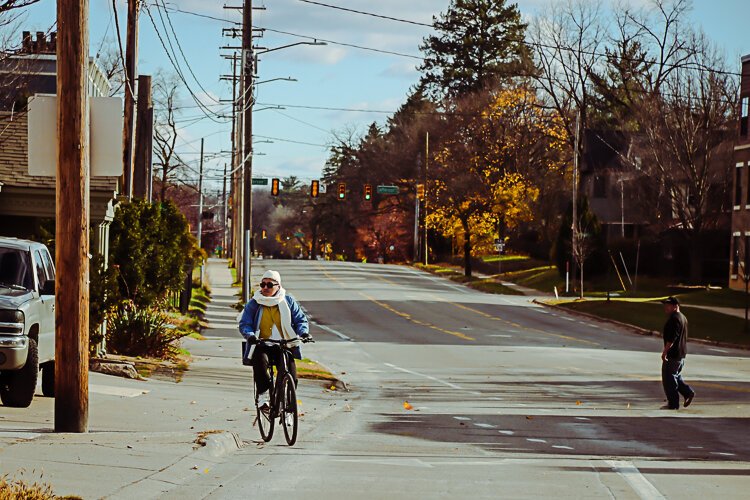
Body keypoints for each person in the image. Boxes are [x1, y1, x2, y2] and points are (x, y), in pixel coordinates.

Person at [239, 270, 310, 409]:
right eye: (263, 284)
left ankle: (288, 408)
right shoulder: (255, 302)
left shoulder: (288, 301)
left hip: (284, 345)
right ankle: (263, 396)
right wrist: (251, 335)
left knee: (291, 377)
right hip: (262, 344)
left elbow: (300, 320)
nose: (265, 288)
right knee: (260, 364)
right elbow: (245, 323)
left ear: (278, 286)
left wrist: (304, 333)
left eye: (269, 285)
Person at [660, 296, 695, 410]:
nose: (666, 307)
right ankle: (688, 392)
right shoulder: (683, 318)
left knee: (668, 378)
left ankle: (673, 404)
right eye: (665, 305)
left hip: (674, 354)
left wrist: (665, 351)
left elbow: (672, 337)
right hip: (681, 354)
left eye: (668, 306)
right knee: (675, 376)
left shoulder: (674, 319)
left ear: (675, 306)